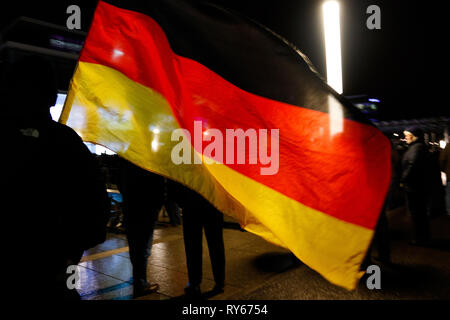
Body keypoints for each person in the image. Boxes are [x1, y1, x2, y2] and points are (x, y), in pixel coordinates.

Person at [3, 55, 110, 299]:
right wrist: (67, 254)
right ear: (51, 96)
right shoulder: (66, 143)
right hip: (54, 275)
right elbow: (96, 212)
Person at [117, 157, 165, 298]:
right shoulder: (150, 159)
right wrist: (157, 207)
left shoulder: (126, 157)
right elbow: (159, 185)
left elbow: (120, 181)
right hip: (146, 209)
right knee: (143, 247)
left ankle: (138, 276)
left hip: (131, 207)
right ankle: (141, 282)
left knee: (134, 245)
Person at [168, 181, 225, 299]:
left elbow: (174, 180)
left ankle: (195, 283)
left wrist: (181, 200)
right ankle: (219, 281)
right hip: (212, 202)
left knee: (192, 247)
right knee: (216, 244)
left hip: (191, 204)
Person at [401, 127, 431, 245]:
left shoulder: (416, 149)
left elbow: (412, 166)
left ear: (414, 136)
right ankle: (422, 237)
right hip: (418, 186)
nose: (405, 138)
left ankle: (420, 238)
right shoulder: (418, 147)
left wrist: (403, 179)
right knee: (419, 213)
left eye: (407, 135)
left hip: (415, 187)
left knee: (417, 214)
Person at [440, 142, 450, 216]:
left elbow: (442, 159)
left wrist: (444, 170)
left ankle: (449, 211)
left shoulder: (448, 146)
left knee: (448, 194)